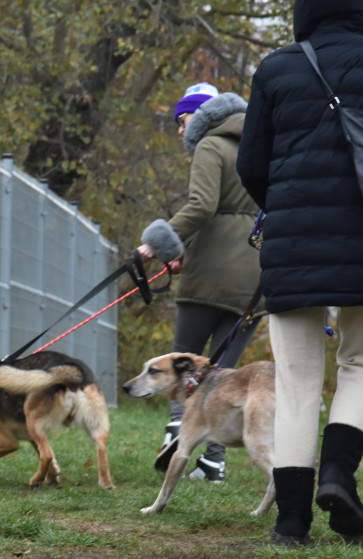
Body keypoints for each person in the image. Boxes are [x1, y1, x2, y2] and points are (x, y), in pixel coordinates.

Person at [237, 0, 363, 546]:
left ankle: (291, 523)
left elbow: (251, 163)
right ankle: (339, 474)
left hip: (292, 245)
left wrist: (289, 209)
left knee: (297, 385)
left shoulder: (276, 68)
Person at [137, 82, 262, 482]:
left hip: (209, 272)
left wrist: (157, 244)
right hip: (255, 277)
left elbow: (202, 206)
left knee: (183, 359)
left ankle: (177, 431)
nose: (179, 128)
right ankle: (214, 462)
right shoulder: (261, 146)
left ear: (203, 114)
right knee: (225, 370)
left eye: (182, 118)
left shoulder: (210, 145)